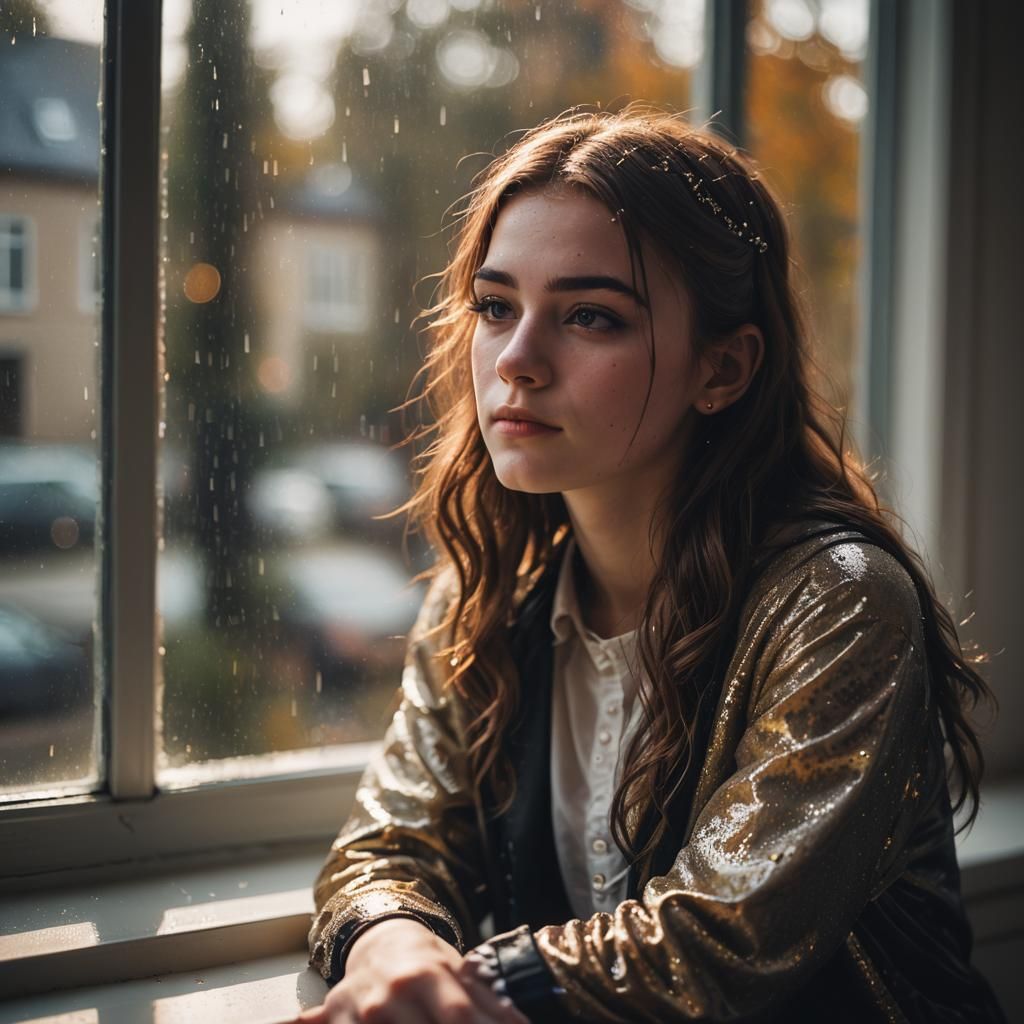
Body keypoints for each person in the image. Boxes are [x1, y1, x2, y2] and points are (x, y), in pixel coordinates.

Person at [294, 107, 1005, 1023]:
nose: (517, 361)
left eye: (590, 317)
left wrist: (466, 987)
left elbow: (722, 937)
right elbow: (388, 842)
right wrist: (393, 947)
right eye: (496, 305)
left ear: (724, 369)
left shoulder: (840, 604)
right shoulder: (487, 601)